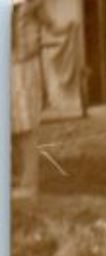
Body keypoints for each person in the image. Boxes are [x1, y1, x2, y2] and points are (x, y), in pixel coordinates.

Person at [10, 0, 52, 199]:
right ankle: (19, 176)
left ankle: (30, 184)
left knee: (25, 126)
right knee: (13, 126)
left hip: (23, 65)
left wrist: (63, 29)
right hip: (10, 64)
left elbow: (49, 22)